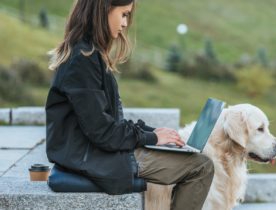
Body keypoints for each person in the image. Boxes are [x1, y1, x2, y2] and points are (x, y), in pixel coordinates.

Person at [45, 0, 214, 209]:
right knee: (201, 167)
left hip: (94, 151)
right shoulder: (83, 59)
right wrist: (150, 138)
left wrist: (154, 133)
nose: (125, 23)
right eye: (124, 14)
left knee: (197, 162)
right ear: (104, 8)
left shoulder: (88, 53)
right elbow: (102, 132)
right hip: (92, 157)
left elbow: (107, 122)